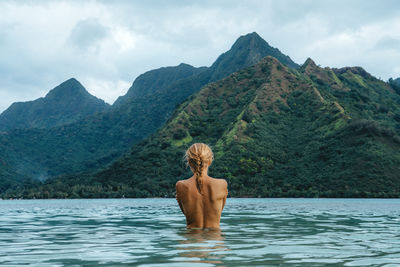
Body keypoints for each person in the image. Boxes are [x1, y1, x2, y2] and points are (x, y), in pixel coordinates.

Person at [176, 143, 228, 229]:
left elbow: (187, 213)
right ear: (210, 161)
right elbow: (217, 212)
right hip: (215, 240)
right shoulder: (222, 184)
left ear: (189, 162)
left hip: (191, 239)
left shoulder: (180, 185)